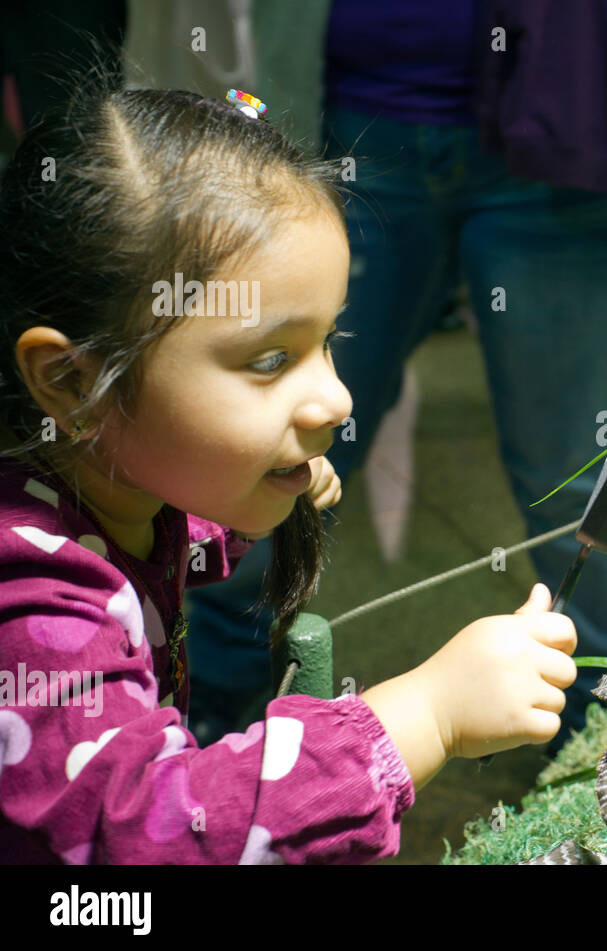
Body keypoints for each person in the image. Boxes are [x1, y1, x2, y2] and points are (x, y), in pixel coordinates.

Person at [0, 83, 576, 863]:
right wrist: (422, 715)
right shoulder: (32, 612)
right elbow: (147, 836)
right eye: (270, 359)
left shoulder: (104, 489)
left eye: (328, 338)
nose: (338, 397)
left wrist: (222, 529)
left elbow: (150, 546)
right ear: (71, 382)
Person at [182, 0, 607, 750]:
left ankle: (604, 748)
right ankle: (203, 708)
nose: (325, 392)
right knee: (275, 446)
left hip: (581, 134)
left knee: (576, 469)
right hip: (363, 118)